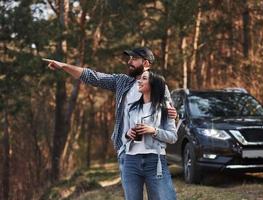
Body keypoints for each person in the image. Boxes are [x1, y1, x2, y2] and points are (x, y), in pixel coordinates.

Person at [43, 47, 177, 197]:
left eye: (134, 59)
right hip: (128, 153)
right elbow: (93, 76)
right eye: (129, 58)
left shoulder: (160, 86)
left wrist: (172, 114)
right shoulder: (121, 81)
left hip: (154, 154)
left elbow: (168, 114)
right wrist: (64, 66)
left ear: (145, 63)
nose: (129, 62)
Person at [122, 70, 177, 200]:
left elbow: (173, 137)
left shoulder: (165, 108)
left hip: (155, 161)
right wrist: (128, 134)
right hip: (131, 161)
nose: (139, 81)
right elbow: (124, 136)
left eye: (144, 78)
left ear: (153, 83)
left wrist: (153, 131)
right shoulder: (131, 108)